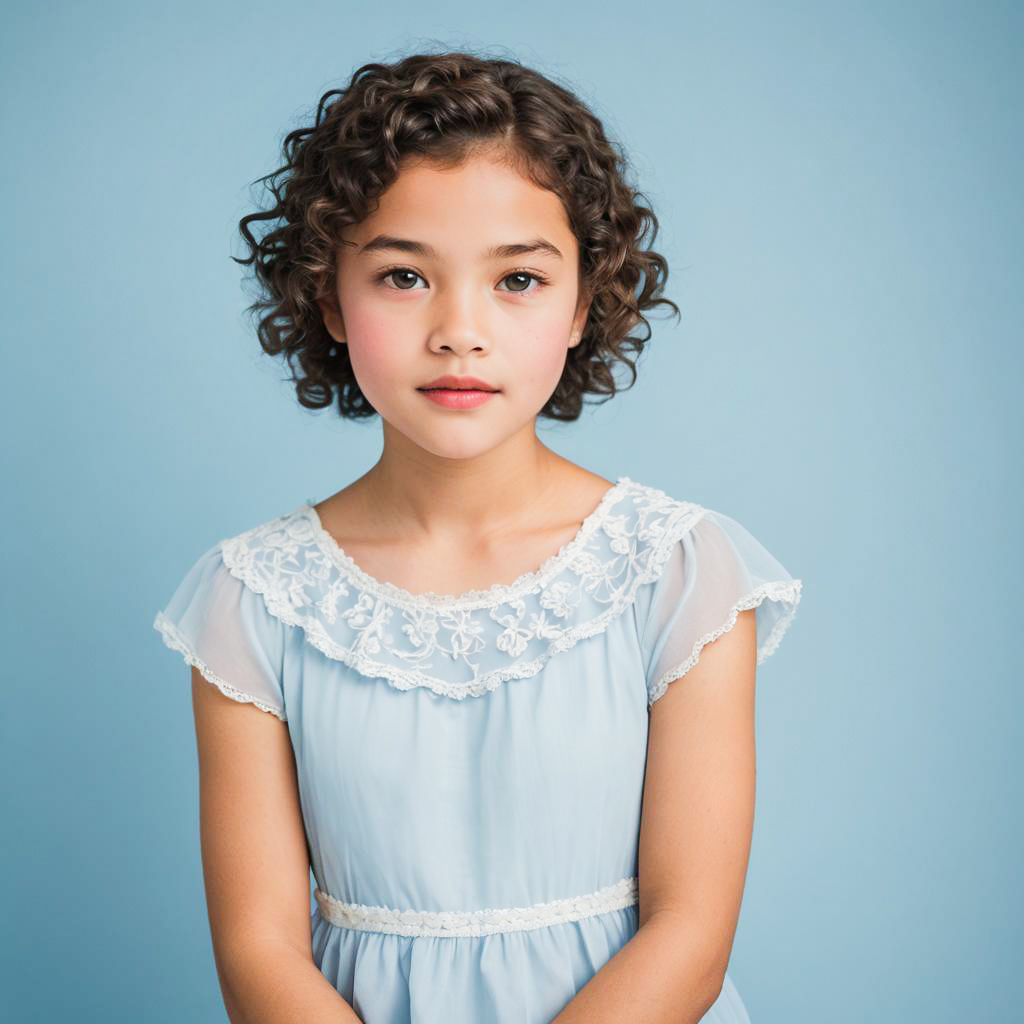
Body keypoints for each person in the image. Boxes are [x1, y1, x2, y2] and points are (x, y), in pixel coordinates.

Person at [153, 50, 803, 1024]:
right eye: (405, 274)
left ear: (584, 301)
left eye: (518, 280)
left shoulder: (676, 571)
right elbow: (258, 945)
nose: (460, 329)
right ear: (329, 296)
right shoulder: (251, 598)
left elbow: (691, 932)